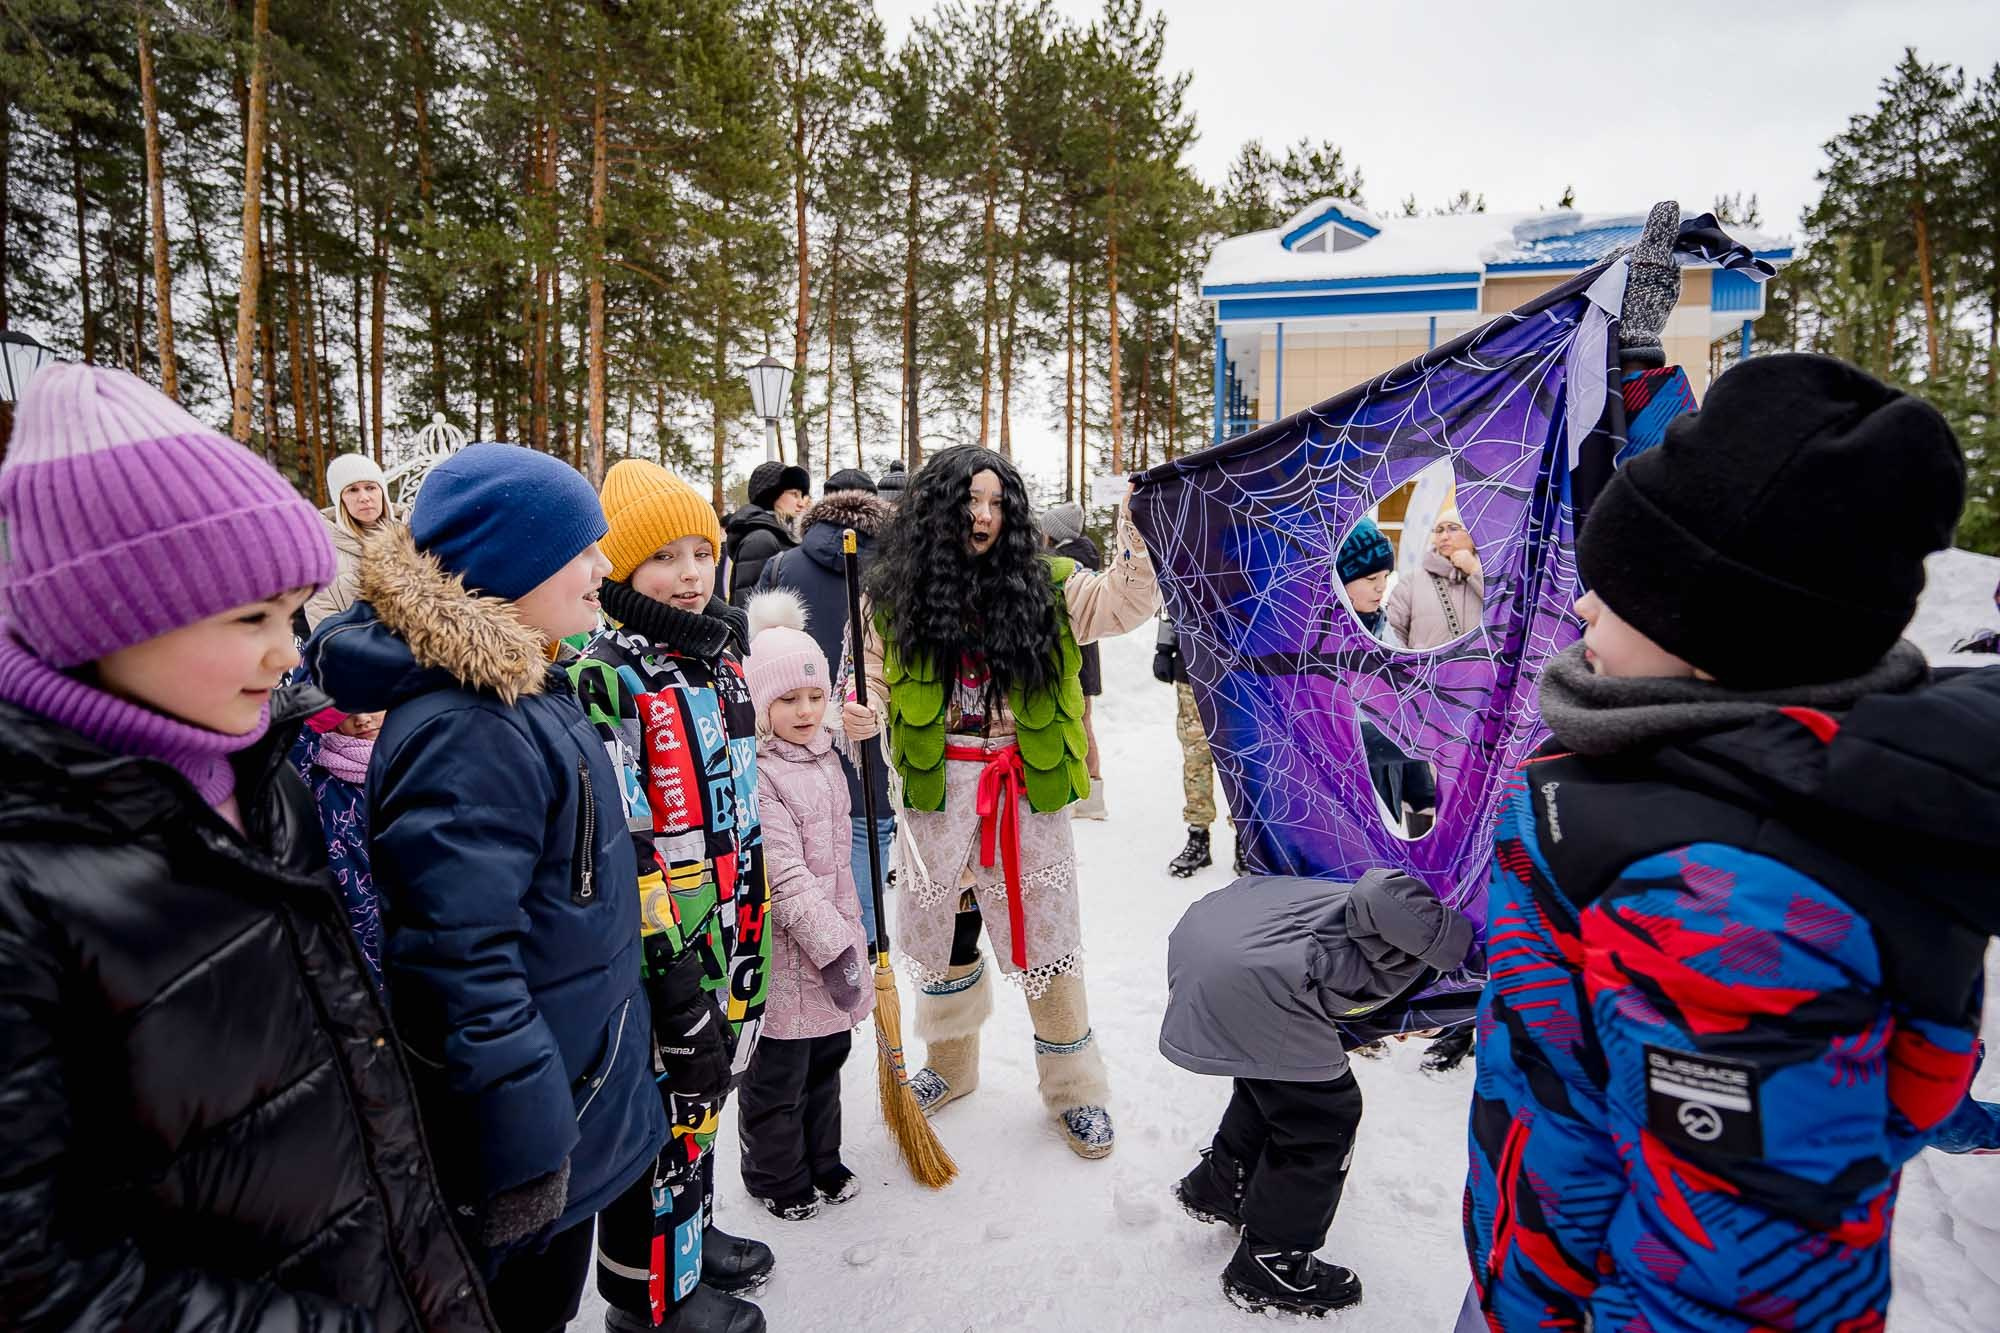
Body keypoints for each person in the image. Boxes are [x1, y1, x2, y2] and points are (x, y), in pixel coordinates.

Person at [1463, 354, 2000, 1331]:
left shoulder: (1729, 905)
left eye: (1610, 590)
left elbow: (1736, 1287)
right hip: (1542, 1267)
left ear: (1704, 637)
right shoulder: (1714, 756)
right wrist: (1640, 381)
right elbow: (1736, 528)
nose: (1581, 605)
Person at [0, 364, 494, 1331]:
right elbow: (35, 1272)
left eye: (290, 611)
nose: (286, 654)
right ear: (110, 614)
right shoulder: (28, 884)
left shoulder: (262, 783)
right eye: (250, 618)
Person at [308, 443, 667, 1333]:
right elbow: (459, 960)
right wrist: (527, 1149)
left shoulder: (524, 683)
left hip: (572, 1086)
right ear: (508, 565)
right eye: (580, 548)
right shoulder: (470, 726)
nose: (602, 567)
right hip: (533, 1135)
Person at [845, 446, 1158, 1158]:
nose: (984, 515)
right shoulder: (890, 594)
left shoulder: (1051, 586)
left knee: (1047, 944)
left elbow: (1126, 602)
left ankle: (1075, 1088)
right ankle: (952, 1069)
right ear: (937, 509)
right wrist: (855, 711)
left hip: (1023, 793)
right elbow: (862, 675)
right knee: (948, 940)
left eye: (996, 503)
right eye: (969, 501)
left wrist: (1134, 528)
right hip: (933, 796)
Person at [571, 458, 772, 1333]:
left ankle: (693, 1229)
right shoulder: (609, 673)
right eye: (664, 557)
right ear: (617, 567)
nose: (691, 574)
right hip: (669, 953)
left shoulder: (719, 658)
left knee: (705, 1100)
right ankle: (649, 1299)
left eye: (702, 551)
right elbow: (631, 842)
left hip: (735, 923)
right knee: (661, 1114)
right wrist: (673, 978)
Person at [1163, 870, 1474, 1315]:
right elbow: (1380, 891)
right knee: (1324, 1116)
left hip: (1223, 941)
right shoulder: (1433, 916)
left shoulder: (1357, 912)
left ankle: (1221, 1184)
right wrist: (1455, 946)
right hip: (1253, 972)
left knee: (1276, 1078)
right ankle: (1273, 1261)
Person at [736, 591, 874, 1220]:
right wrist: (835, 945)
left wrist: (853, 933)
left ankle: (824, 1158)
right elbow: (784, 875)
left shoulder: (825, 754)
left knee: (829, 1061)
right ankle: (776, 1174)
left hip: (835, 938)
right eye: (788, 699)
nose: (806, 710)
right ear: (762, 705)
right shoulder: (761, 775)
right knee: (780, 1078)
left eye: (815, 697)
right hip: (792, 954)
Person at [754, 484, 897, 951]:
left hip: (788, 735)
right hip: (871, 732)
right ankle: (868, 944)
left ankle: (824, 947)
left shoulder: (781, 566)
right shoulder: (896, 572)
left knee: (802, 851)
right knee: (868, 837)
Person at [295, 698, 389, 986]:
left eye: (372, 703)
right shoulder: (317, 773)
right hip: (350, 932)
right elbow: (278, 766)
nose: (361, 719)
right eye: (347, 709)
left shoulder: (419, 761)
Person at [1154, 611, 1233, 876]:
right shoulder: (1187, 565)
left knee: (1241, 757)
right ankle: (1198, 836)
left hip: (1240, 670)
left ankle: (1247, 839)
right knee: (1195, 754)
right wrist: (1164, 646)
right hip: (1192, 667)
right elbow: (1171, 596)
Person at [1042, 501, 1107, 820]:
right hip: (1086, 657)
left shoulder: (1066, 564)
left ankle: (1090, 793)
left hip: (1074, 657)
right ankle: (1089, 793)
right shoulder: (1085, 558)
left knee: (1078, 723)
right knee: (1082, 721)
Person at [306, 450, 398, 629]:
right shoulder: (321, 552)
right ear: (340, 499)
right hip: (358, 653)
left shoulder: (414, 533)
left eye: (371, 487)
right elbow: (322, 621)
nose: (364, 498)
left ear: (382, 492)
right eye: (352, 490)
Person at [1385, 504, 1482, 651]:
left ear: (1473, 534)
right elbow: (1393, 630)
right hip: (1426, 672)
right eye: (1439, 530)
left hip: (1480, 671)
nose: (1444, 536)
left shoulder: (1493, 577)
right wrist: (1409, 667)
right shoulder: (1412, 581)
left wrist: (1475, 570)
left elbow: (1505, 609)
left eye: (1453, 528)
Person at [726, 461, 810, 606]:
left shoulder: (776, 534)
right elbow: (749, 607)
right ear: (772, 494)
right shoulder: (761, 540)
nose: (801, 503)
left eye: (802, 496)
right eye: (794, 494)